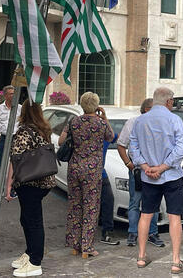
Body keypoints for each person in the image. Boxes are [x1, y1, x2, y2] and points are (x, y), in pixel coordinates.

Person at [129, 87, 183, 274]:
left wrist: (146, 167)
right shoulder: (174, 120)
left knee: (146, 214)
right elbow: (181, 149)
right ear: (169, 101)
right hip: (171, 175)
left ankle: (141, 256)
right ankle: (175, 261)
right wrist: (163, 167)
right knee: (174, 217)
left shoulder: (140, 120)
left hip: (149, 177)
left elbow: (133, 147)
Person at [3, 100, 56, 277]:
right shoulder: (44, 129)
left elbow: (15, 159)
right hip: (44, 181)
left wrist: (8, 184)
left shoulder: (23, 132)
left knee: (32, 221)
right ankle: (30, 253)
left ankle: (35, 262)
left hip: (29, 182)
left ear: (23, 112)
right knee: (27, 218)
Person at [58, 91, 114, 258]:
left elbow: (61, 142)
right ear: (96, 106)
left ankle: (75, 245)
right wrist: (104, 117)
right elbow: (110, 137)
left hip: (74, 168)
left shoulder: (73, 121)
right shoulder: (100, 124)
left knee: (75, 205)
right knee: (91, 207)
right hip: (92, 170)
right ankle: (87, 247)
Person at [117, 98, 164, 247]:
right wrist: (129, 164)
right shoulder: (132, 123)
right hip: (137, 170)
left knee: (153, 203)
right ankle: (133, 233)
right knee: (135, 202)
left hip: (154, 170)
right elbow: (121, 145)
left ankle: (152, 233)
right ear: (146, 110)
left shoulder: (159, 124)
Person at [0, 85, 21, 199]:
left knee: (15, 164)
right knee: (0, 164)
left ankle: (13, 189)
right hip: (4, 138)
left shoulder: (20, 108)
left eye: (14, 93)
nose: (13, 95)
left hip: (16, 138)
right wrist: (4, 132)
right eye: (11, 93)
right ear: (5, 95)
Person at [99, 133, 119, 245]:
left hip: (101, 174)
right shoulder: (85, 132)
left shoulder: (105, 135)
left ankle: (107, 232)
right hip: (87, 175)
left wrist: (104, 118)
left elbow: (116, 136)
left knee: (108, 199)